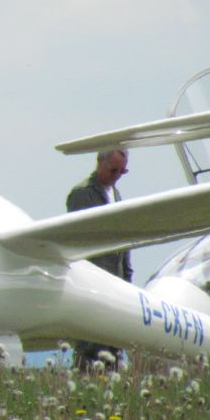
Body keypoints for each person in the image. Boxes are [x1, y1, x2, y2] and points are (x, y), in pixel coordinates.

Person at [66, 148, 132, 371]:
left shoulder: (117, 194)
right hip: (92, 285)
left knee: (113, 345)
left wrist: (127, 276)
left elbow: (123, 241)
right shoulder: (82, 194)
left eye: (123, 171)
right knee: (91, 346)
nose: (118, 175)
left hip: (115, 283)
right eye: (114, 170)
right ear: (100, 164)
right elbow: (77, 241)